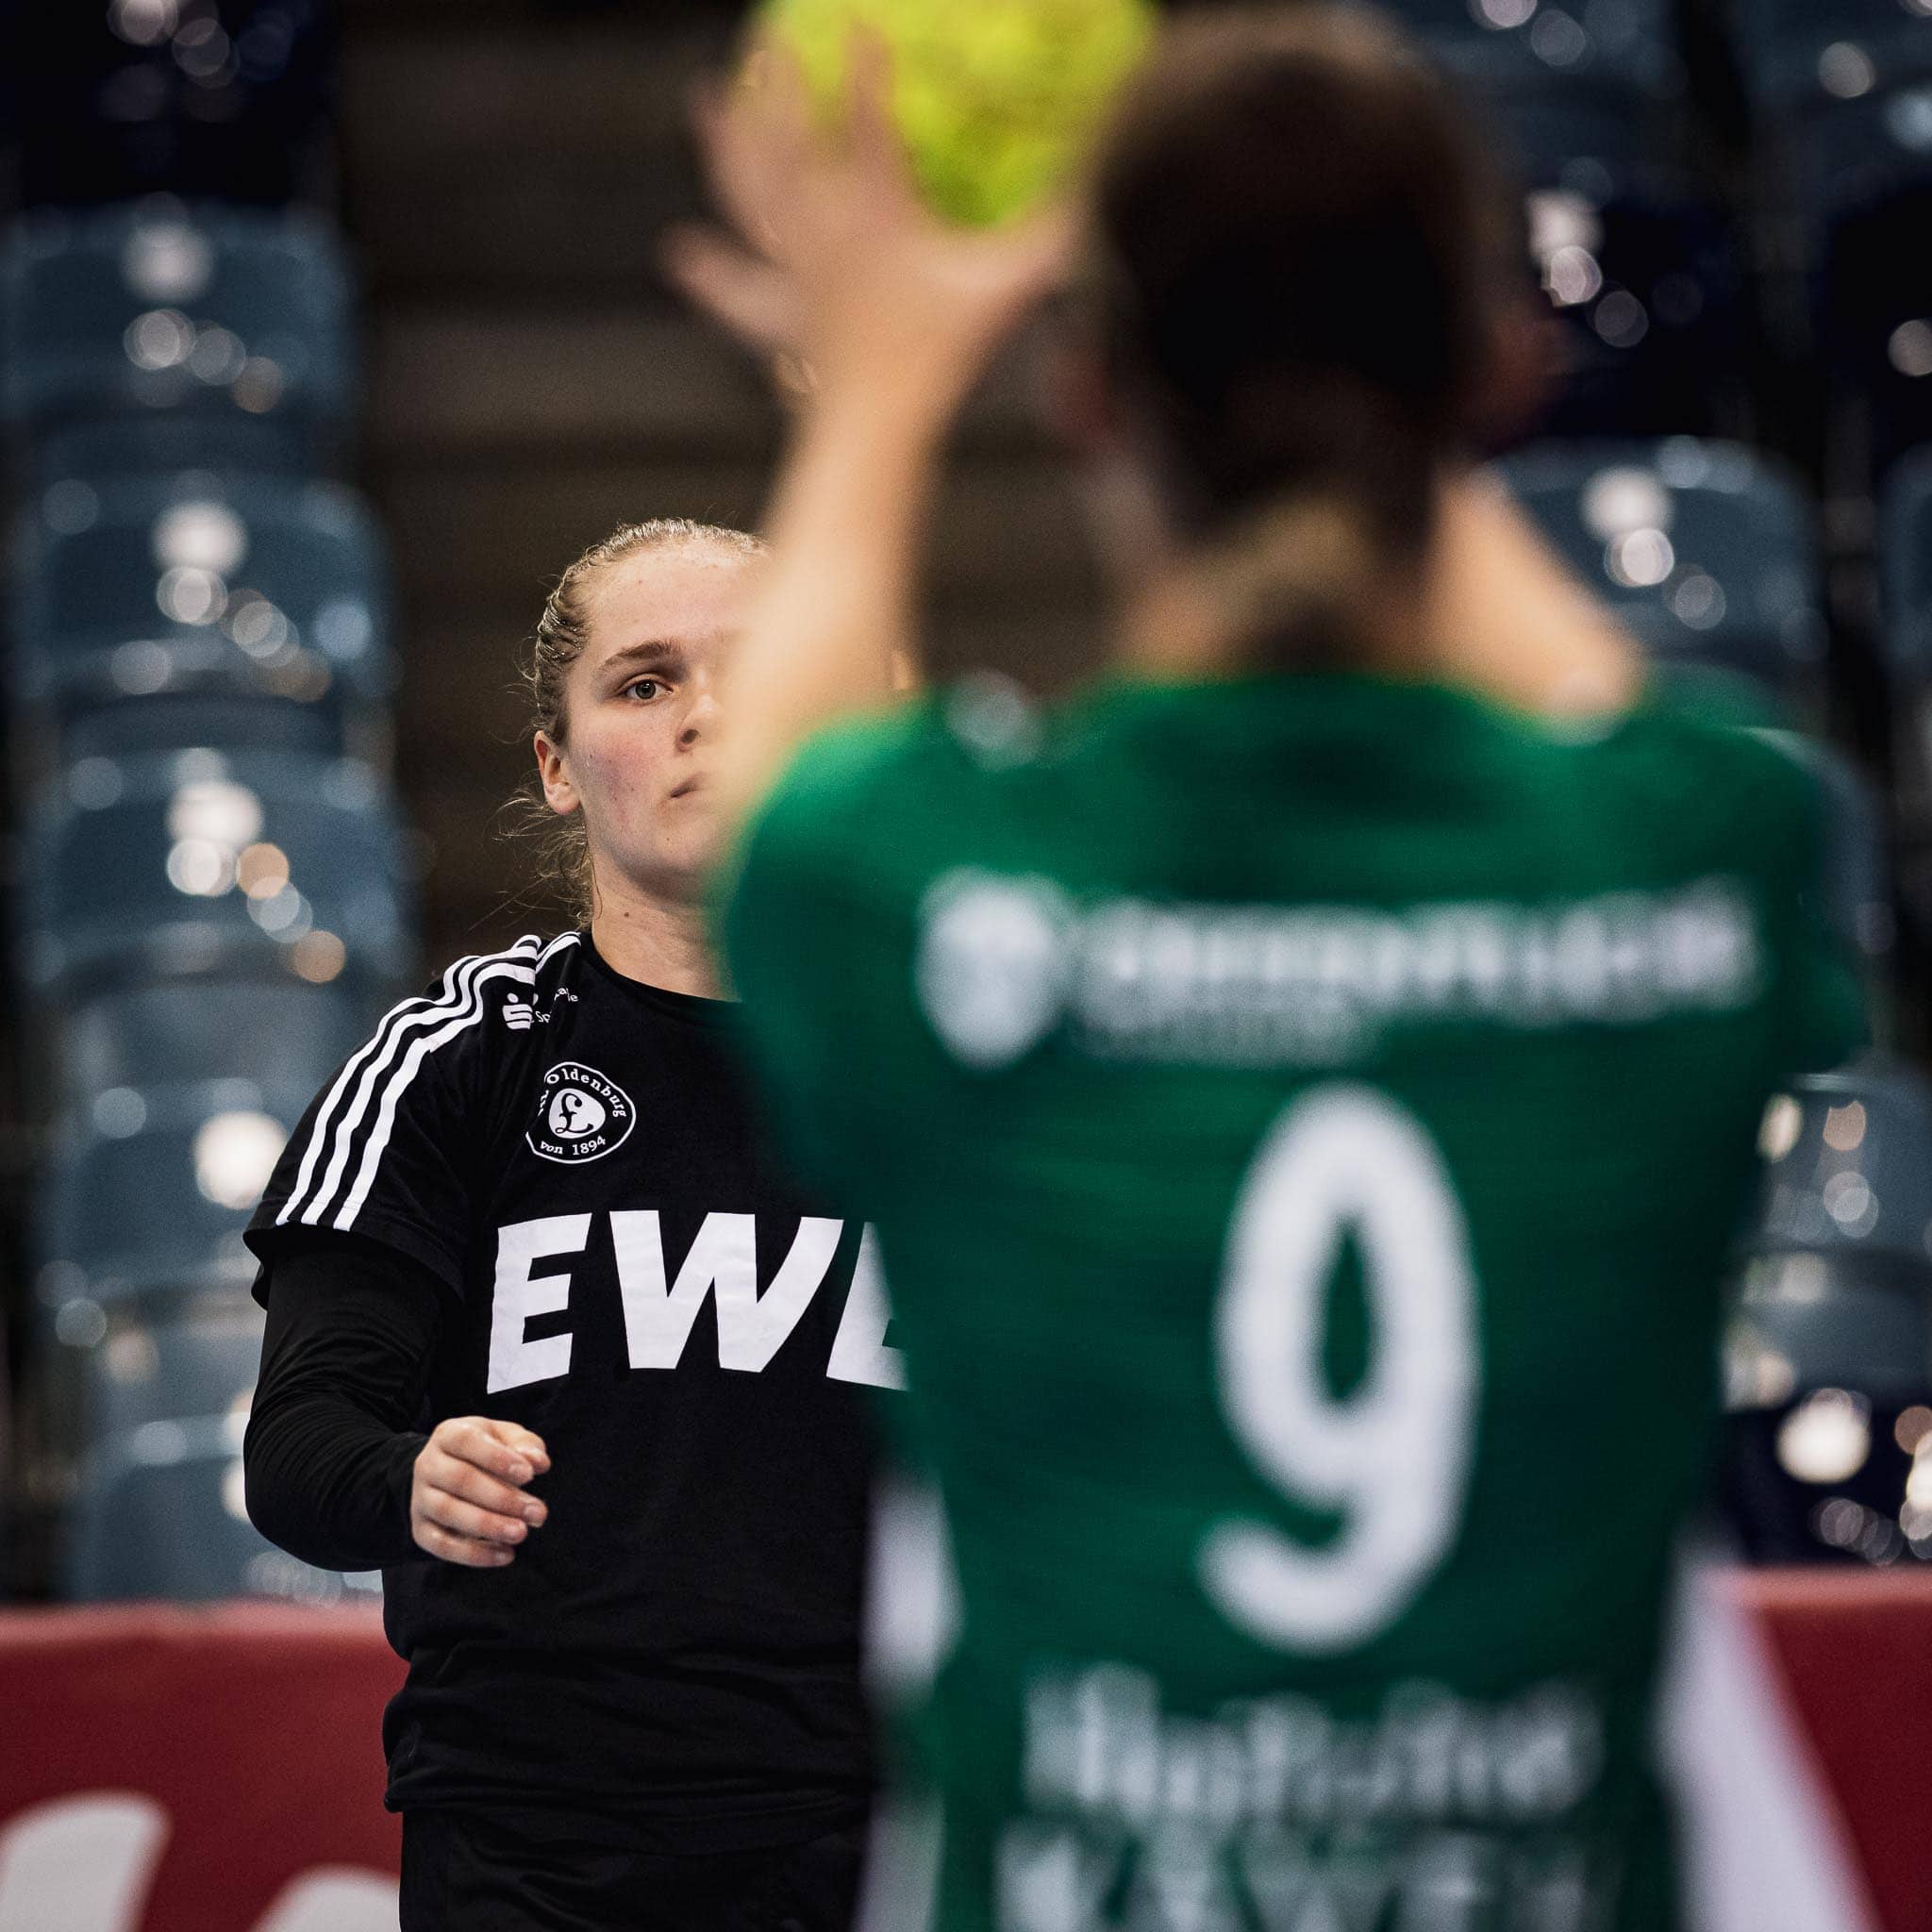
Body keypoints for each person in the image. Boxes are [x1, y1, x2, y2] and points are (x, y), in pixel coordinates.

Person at [667, 11, 1868, 1930]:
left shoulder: (928, 893)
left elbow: (781, 789)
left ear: (1087, 394)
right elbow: (1603, 711)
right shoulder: (1704, 852)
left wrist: (880, 376)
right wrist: (1386, 377)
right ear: (1497, 372)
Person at [242, 517, 902, 1932]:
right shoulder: (460, 1062)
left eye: (750, 673)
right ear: (556, 766)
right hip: (542, 1857)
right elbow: (298, 1451)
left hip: (891, 1831)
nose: (704, 718)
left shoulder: (954, 1072)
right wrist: (412, 1477)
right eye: (644, 683)